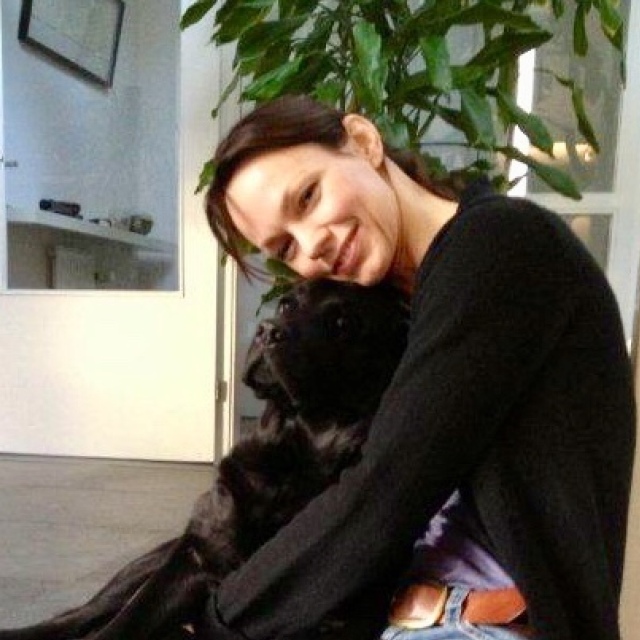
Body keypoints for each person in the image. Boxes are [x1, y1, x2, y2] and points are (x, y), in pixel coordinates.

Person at [199, 94, 636, 640]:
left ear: (363, 141)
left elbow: (385, 492)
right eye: (286, 247)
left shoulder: (498, 245)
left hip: (477, 626)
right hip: (403, 613)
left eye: (308, 197)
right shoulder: (403, 301)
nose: (314, 245)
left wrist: (220, 620)